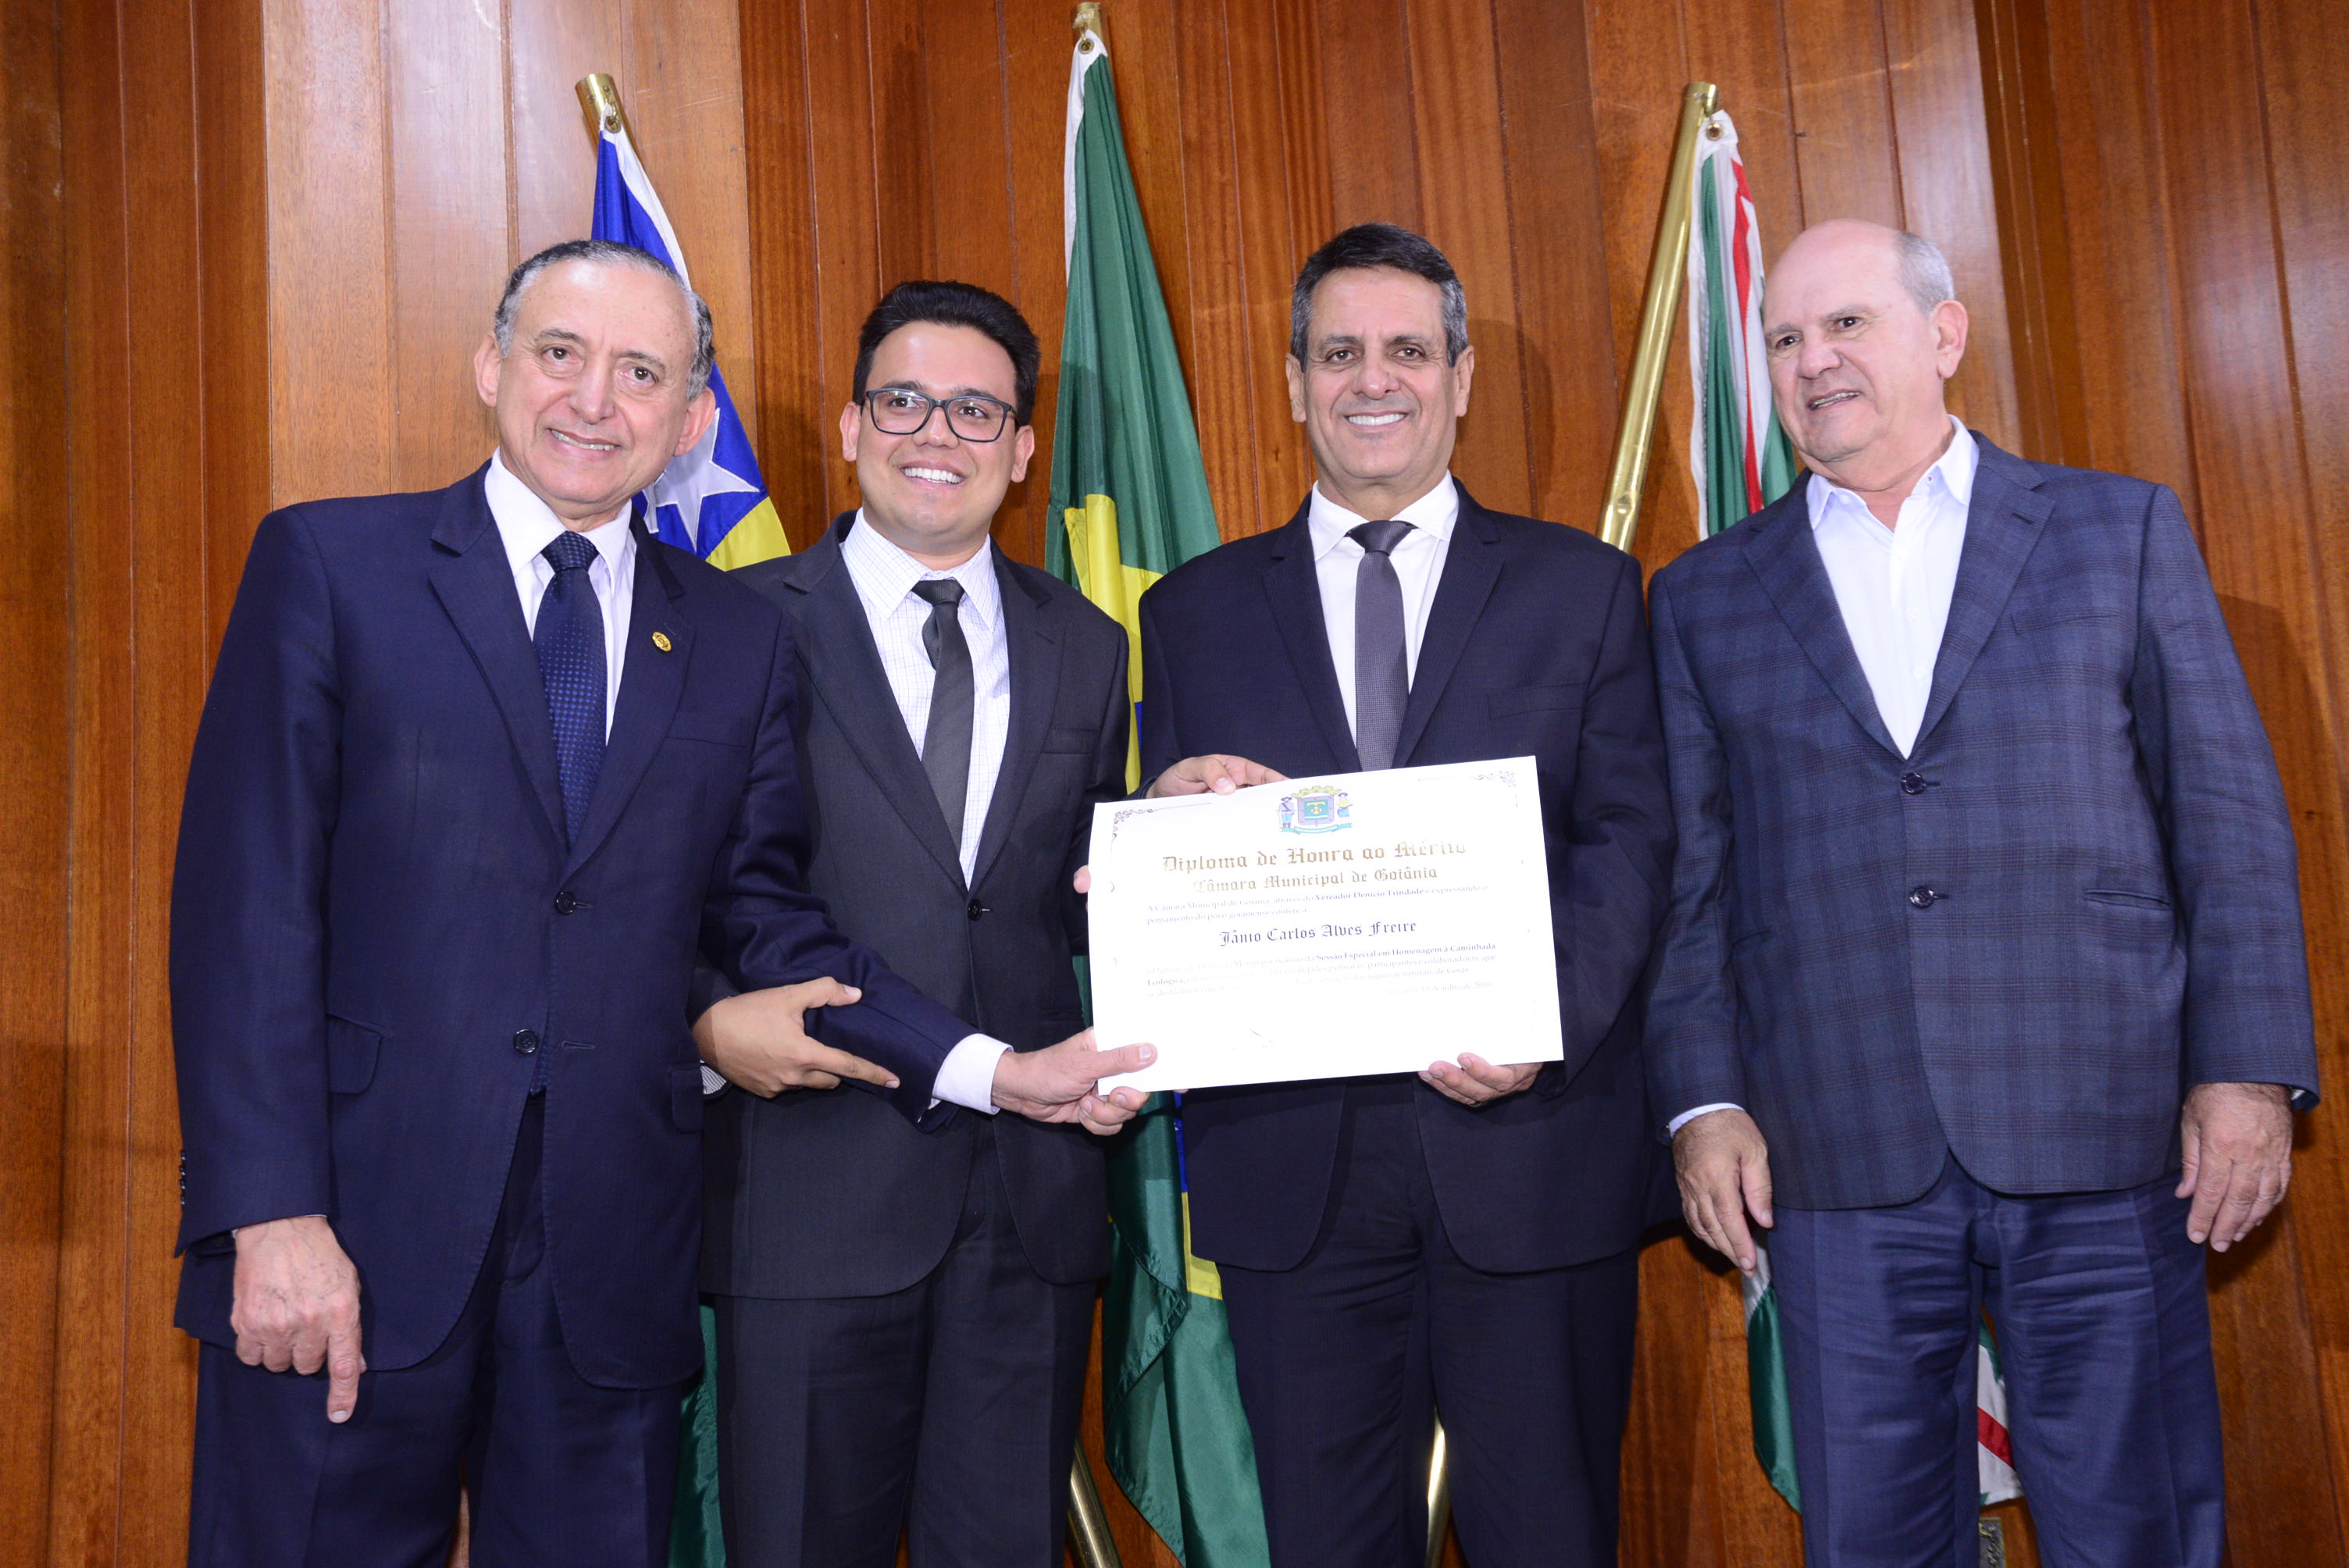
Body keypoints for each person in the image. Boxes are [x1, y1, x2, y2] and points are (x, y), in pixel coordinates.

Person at [169, 240, 1145, 1568]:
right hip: (352, 1235)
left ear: (689, 423)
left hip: (612, 1263)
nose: (594, 400)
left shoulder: (736, 636)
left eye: (642, 373)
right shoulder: (336, 566)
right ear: (491, 367)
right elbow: (245, 919)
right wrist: (271, 1215)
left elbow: (765, 919)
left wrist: (989, 1069)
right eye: (560, 355)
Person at [1647, 219, 2318, 1567]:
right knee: (1872, 1541)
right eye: (1785, 337)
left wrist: (2247, 1074)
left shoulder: (2115, 528)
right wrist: (1704, 1104)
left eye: (1848, 324)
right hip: (1835, 1148)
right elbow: (1693, 884)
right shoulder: (1704, 596)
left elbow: (2230, 822)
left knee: (2134, 1527)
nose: (1813, 361)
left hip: (2107, 1131)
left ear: (1944, 335)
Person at [1132, 223, 1674, 1568]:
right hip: (1293, 1170)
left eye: (1408, 351)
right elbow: (1167, 869)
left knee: (1548, 1538)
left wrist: (1538, 1025)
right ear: (1295, 382)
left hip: (1529, 1147)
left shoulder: (1584, 589)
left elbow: (1630, 842)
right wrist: (1165, 817)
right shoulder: (1192, 612)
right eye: (1339, 353)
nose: (1373, 380)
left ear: (1461, 375)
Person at [691, 280, 1135, 1566]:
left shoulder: (1087, 642)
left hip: (1030, 1211)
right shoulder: (727, 624)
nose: (937, 433)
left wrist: (1176, 831)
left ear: (1023, 449)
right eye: (903, 401)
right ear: (849, 426)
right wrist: (707, 1023)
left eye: (976, 410)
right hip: (811, 1194)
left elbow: (1067, 895)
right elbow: (696, 894)